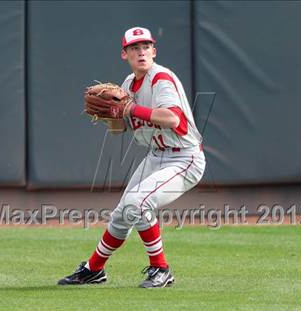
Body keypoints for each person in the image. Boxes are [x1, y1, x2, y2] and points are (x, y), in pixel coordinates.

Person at [58, 26, 206, 288]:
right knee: (123, 213)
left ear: (154, 51)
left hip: (185, 158)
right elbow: (120, 129)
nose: (141, 52)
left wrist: (130, 107)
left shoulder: (161, 78)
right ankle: (93, 269)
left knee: (138, 202)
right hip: (157, 155)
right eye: (134, 48)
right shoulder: (127, 85)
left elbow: (172, 118)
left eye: (146, 47)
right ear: (124, 54)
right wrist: (110, 115)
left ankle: (161, 269)